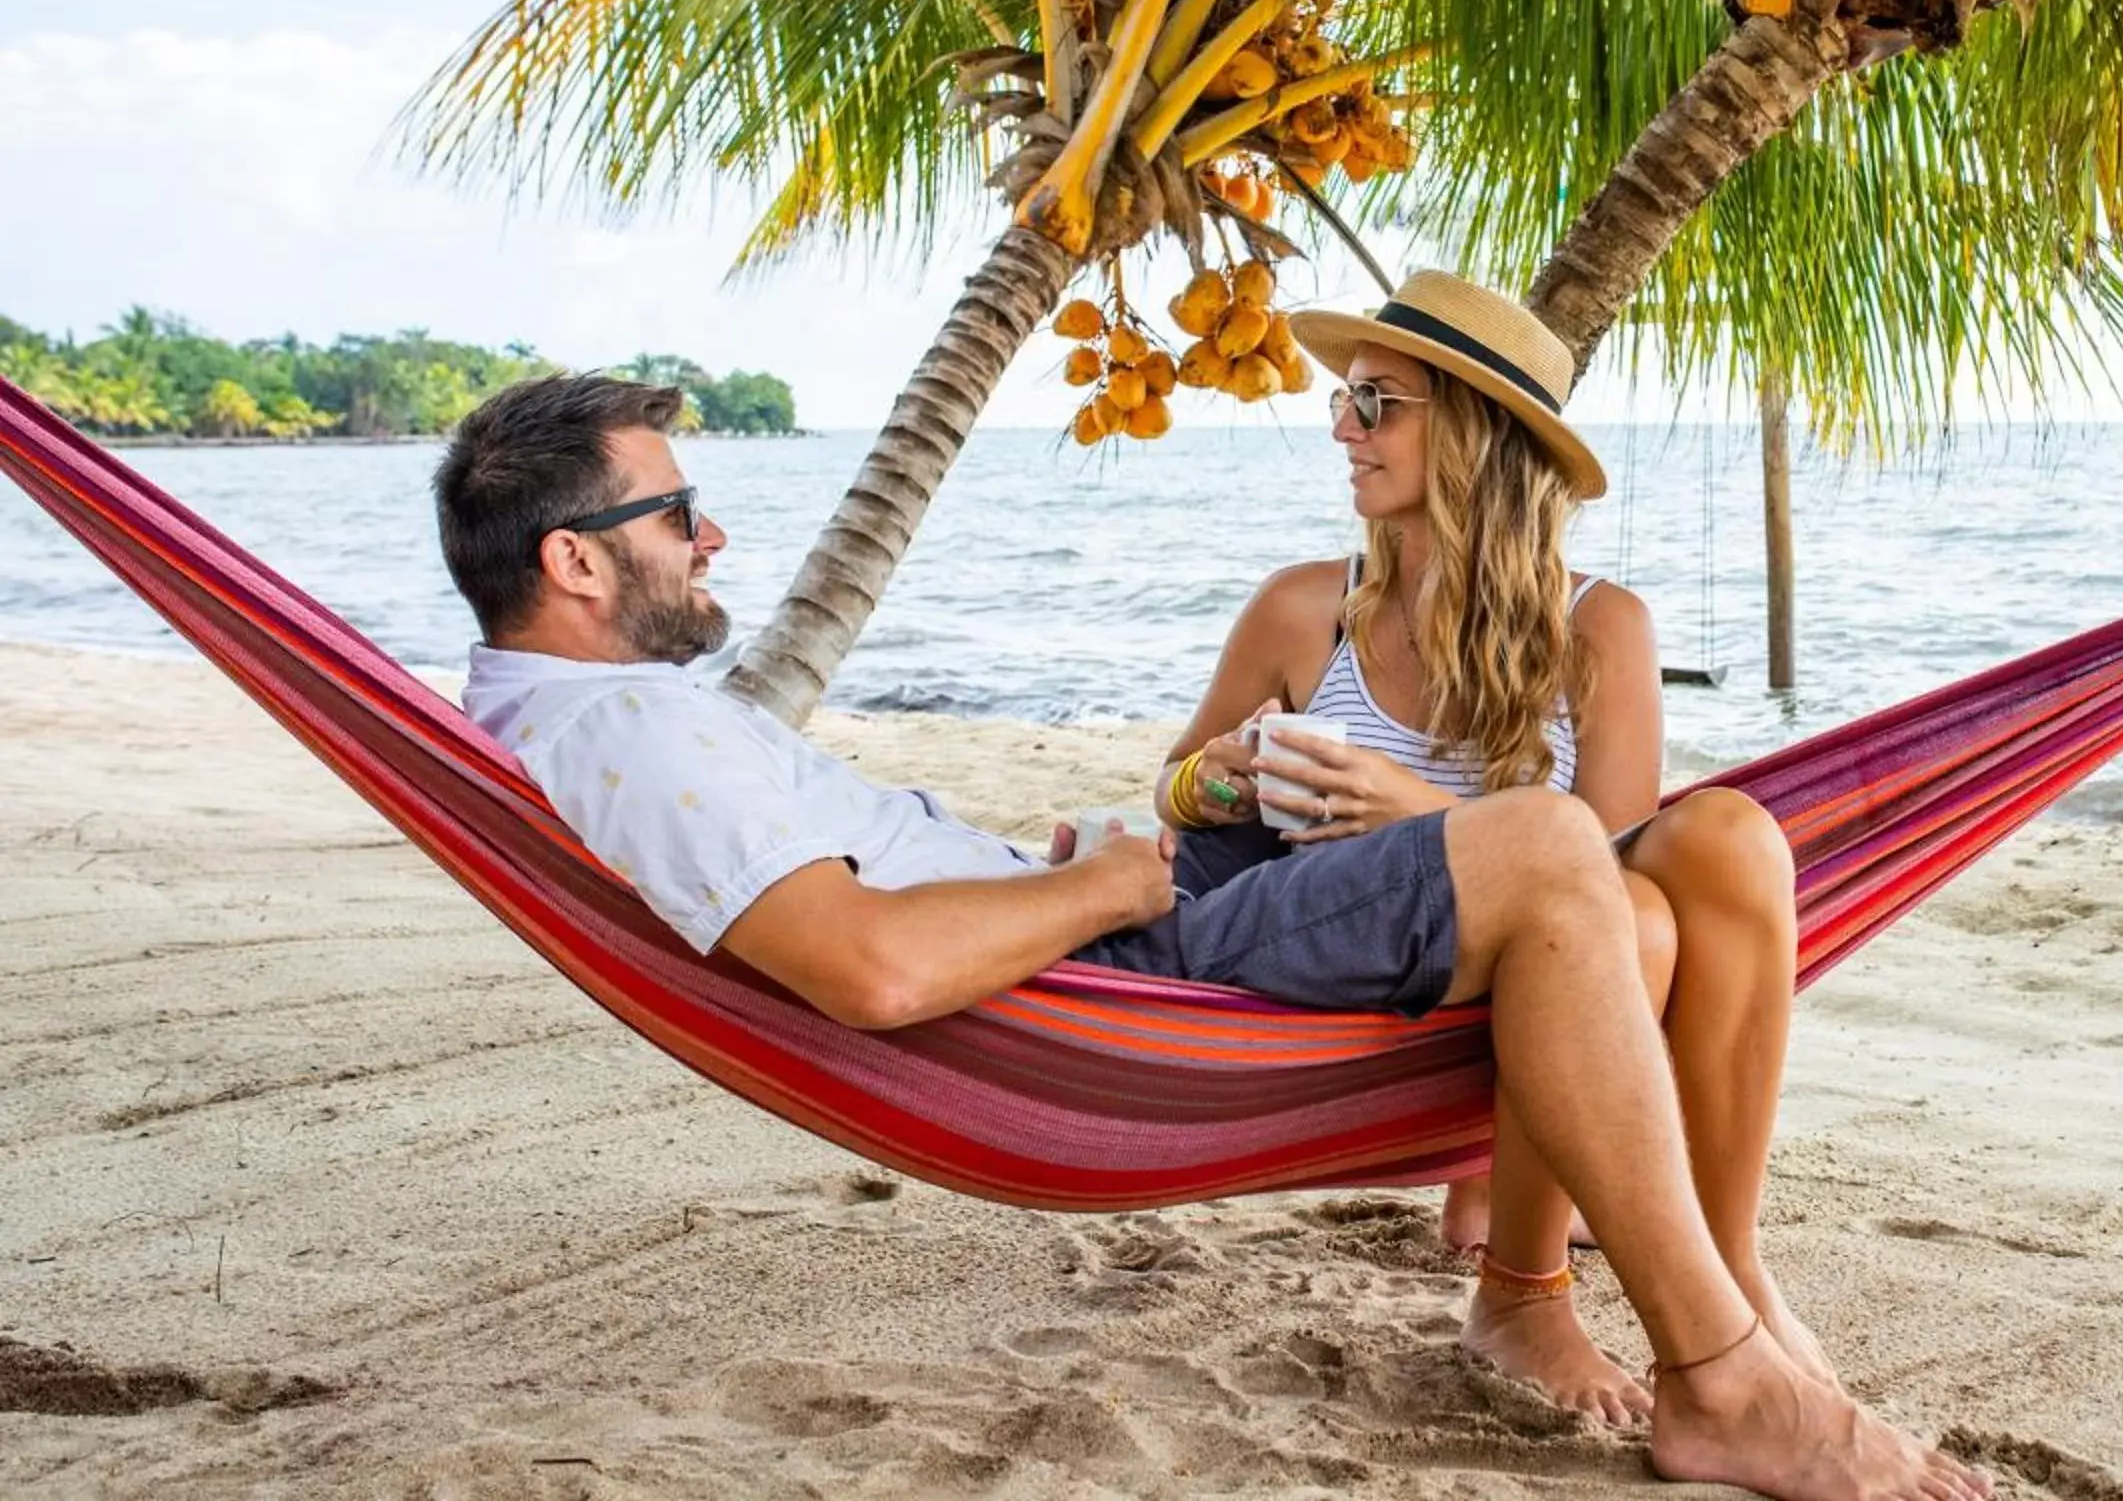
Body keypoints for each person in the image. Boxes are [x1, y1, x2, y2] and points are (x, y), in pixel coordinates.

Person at [433, 372, 1985, 1501]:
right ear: (575, 560)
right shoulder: (636, 731)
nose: (715, 540)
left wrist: (1090, 857)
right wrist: (1104, 885)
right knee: (1554, 847)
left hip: (1088, 926)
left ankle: (1660, 1303)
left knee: (1678, 849)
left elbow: (884, 912)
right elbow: (878, 969)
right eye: (681, 513)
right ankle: (1715, 1369)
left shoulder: (611, 719)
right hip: (1104, 965)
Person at [1159, 270, 1823, 1424]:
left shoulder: (1601, 628)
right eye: (1346, 401)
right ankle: (1523, 1288)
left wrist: (1412, 803)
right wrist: (1219, 776)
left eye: (1376, 404)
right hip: (1364, 966)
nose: (1340, 428)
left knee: (1730, 835)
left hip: (1558, 993)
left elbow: (1608, 862)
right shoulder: (1303, 609)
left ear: (1472, 432)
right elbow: (1172, 795)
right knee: (1640, 915)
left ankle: (1731, 1257)